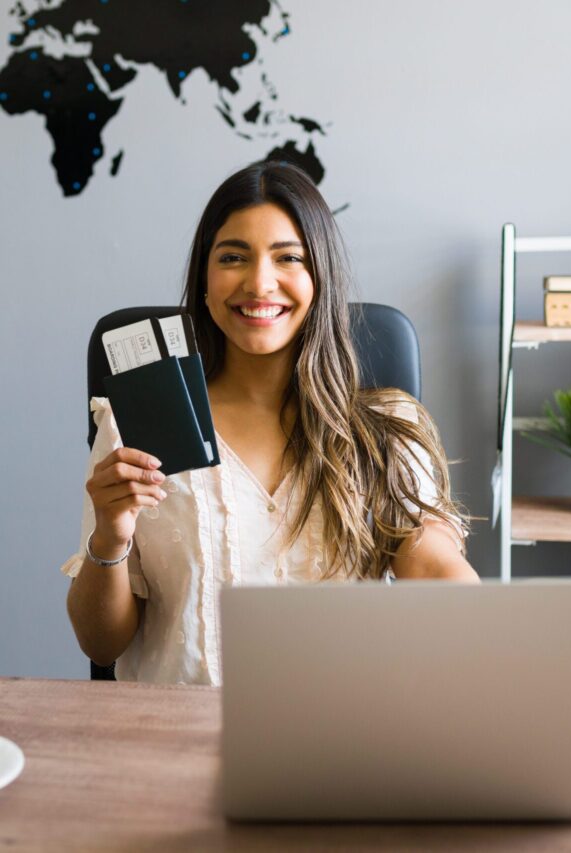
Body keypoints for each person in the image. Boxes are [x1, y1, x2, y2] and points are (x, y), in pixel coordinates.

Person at [62, 161, 478, 685]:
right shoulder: (134, 430)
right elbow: (102, 644)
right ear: (205, 283)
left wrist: (487, 630)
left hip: (344, 741)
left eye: (289, 258)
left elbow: (434, 565)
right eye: (233, 257)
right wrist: (110, 535)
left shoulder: (386, 429)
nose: (259, 283)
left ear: (319, 278)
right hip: (172, 743)